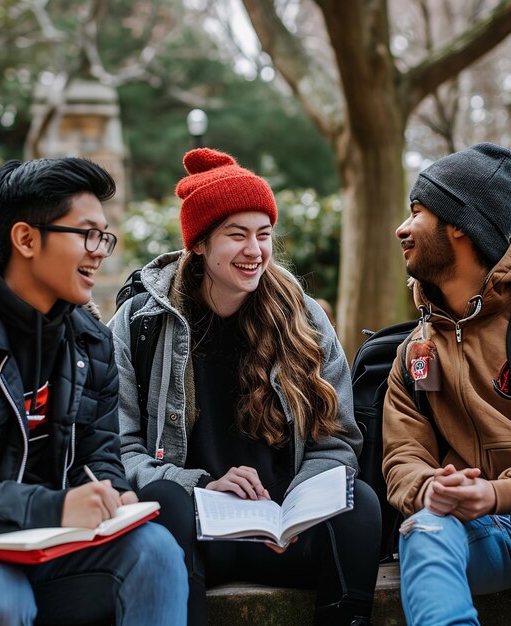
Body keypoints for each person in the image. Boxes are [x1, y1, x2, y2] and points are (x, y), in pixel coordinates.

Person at [108, 148, 381, 626]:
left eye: (264, 234)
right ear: (199, 244)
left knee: (360, 502)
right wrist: (205, 487)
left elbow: (337, 440)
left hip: (285, 533)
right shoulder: (140, 322)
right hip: (195, 529)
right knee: (165, 501)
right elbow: (120, 447)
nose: (255, 250)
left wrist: (298, 503)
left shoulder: (304, 318)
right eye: (237, 235)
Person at [0, 158, 188, 626]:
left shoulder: (90, 341)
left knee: (155, 549)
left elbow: (99, 454)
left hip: (55, 548)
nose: (100, 252)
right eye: (86, 234)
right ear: (26, 239)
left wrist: (115, 494)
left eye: (104, 237)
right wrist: (53, 507)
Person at [382, 143, 511, 626]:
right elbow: (402, 457)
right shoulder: (413, 353)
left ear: (461, 224)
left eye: (417, 213)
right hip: (478, 533)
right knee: (422, 530)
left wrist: (500, 492)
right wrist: (430, 490)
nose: (402, 229)